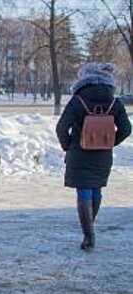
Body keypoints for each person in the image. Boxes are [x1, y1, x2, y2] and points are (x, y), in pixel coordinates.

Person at [56, 62, 131, 250]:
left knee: (84, 191)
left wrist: (69, 146)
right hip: (103, 155)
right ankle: (90, 227)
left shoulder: (77, 100)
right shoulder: (115, 102)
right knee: (96, 189)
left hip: (79, 153)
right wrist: (109, 142)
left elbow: (61, 128)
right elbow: (126, 129)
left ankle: (88, 235)